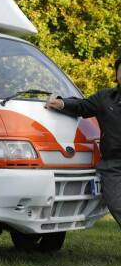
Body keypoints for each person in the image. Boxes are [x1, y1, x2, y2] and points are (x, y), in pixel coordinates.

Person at [45, 57, 121, 225]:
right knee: (117, 205)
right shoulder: (105, 98)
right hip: (113, 166)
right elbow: (82, 106)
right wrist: (61, 103)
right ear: (117, 73)